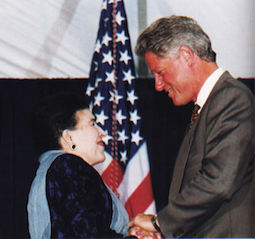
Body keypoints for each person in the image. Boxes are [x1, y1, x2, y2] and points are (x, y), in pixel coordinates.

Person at [129, 15, 255, 238]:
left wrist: (160, 223)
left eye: (160, 72)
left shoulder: (232, 100)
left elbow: (218, 182)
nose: (158, 86)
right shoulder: (209, 106)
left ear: (186, 56)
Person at [27, 92, 131, 239]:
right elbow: (90, 235)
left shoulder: (54, 169)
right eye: (93, 123)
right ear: (68, 137)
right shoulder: (67, 166)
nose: (102, 133)